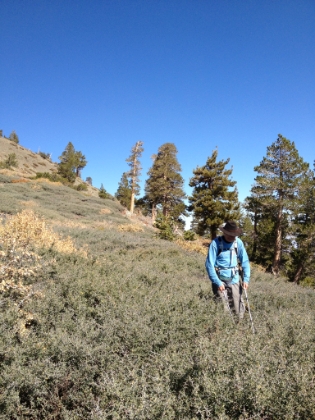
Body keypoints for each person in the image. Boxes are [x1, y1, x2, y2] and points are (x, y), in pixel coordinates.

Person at [205, 221, 250, 319]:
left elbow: (245, 261)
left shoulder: (238, 243)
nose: (232, 237)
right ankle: (222, 329)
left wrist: (246, 279)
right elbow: (209, 265)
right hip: (219, 279)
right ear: (224, 232)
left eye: (234, 235)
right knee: (222, 308)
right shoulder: (215, 243)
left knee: (238, 308)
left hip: (234, 280)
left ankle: (238, 327)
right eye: (229, 234)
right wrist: (217, 282)